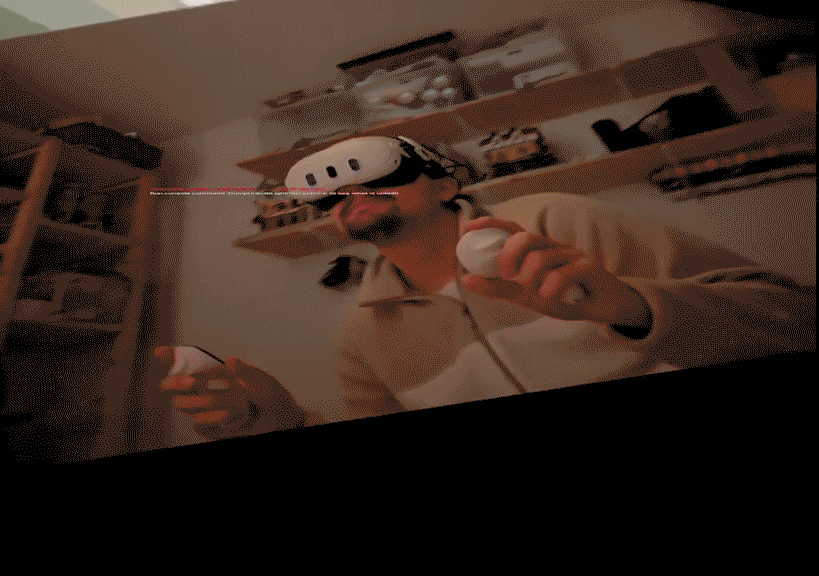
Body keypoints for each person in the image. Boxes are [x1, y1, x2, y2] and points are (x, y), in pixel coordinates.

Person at [155, 135, 816, 441]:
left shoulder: (557, 223)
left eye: (376, 176)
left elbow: (794, 317)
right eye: (330, 196)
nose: (348, 195)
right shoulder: (363, 336)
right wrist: (284, 421)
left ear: (446, 182)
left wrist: (630, 306)